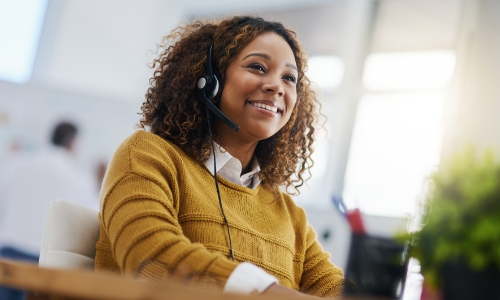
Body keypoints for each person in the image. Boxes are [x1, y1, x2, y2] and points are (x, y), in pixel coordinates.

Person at [95, 16, 344, 298]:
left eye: (289, 78)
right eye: (257, 67)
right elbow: (150, 257)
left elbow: (336, 291)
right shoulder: (148, 155)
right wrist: (266, 292)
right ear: (209, 80)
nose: (276, 86)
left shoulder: (288, 213)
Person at [0, 121, 99, 299]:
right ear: (72, 143)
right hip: (43, 262)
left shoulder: (18, 163)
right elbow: (91, 221)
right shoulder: (80, 179)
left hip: (7, 253)